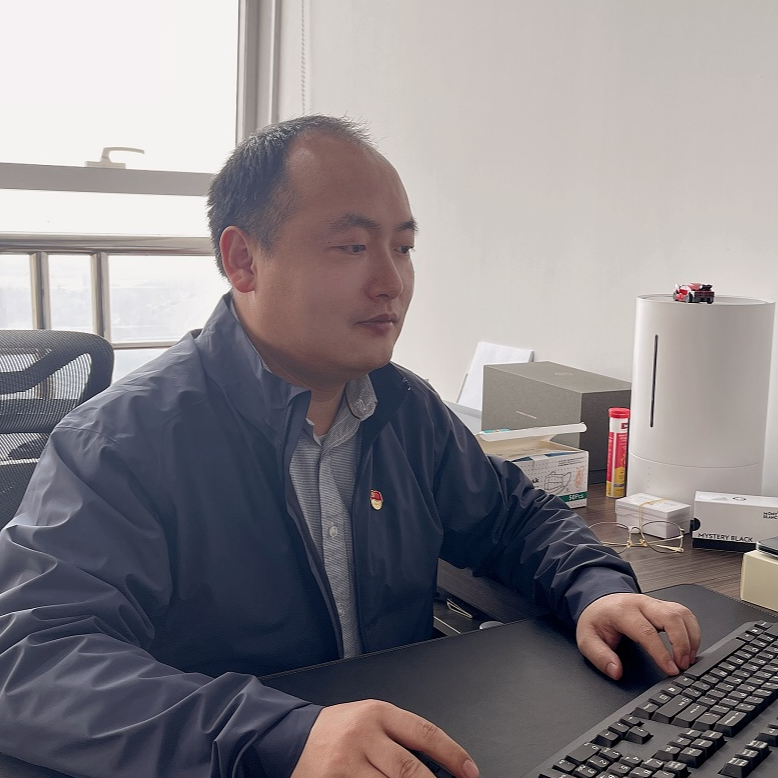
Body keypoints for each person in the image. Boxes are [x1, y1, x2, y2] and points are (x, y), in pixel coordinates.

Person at [0, 115, 700, 778]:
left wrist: (596, 589)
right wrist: (277, 736)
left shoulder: (404, 408)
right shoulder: (121, 442)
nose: (391, 282)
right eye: (352, 247)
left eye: (404, 247)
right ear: (243, 260)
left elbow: (515, 517)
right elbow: (32, 661)